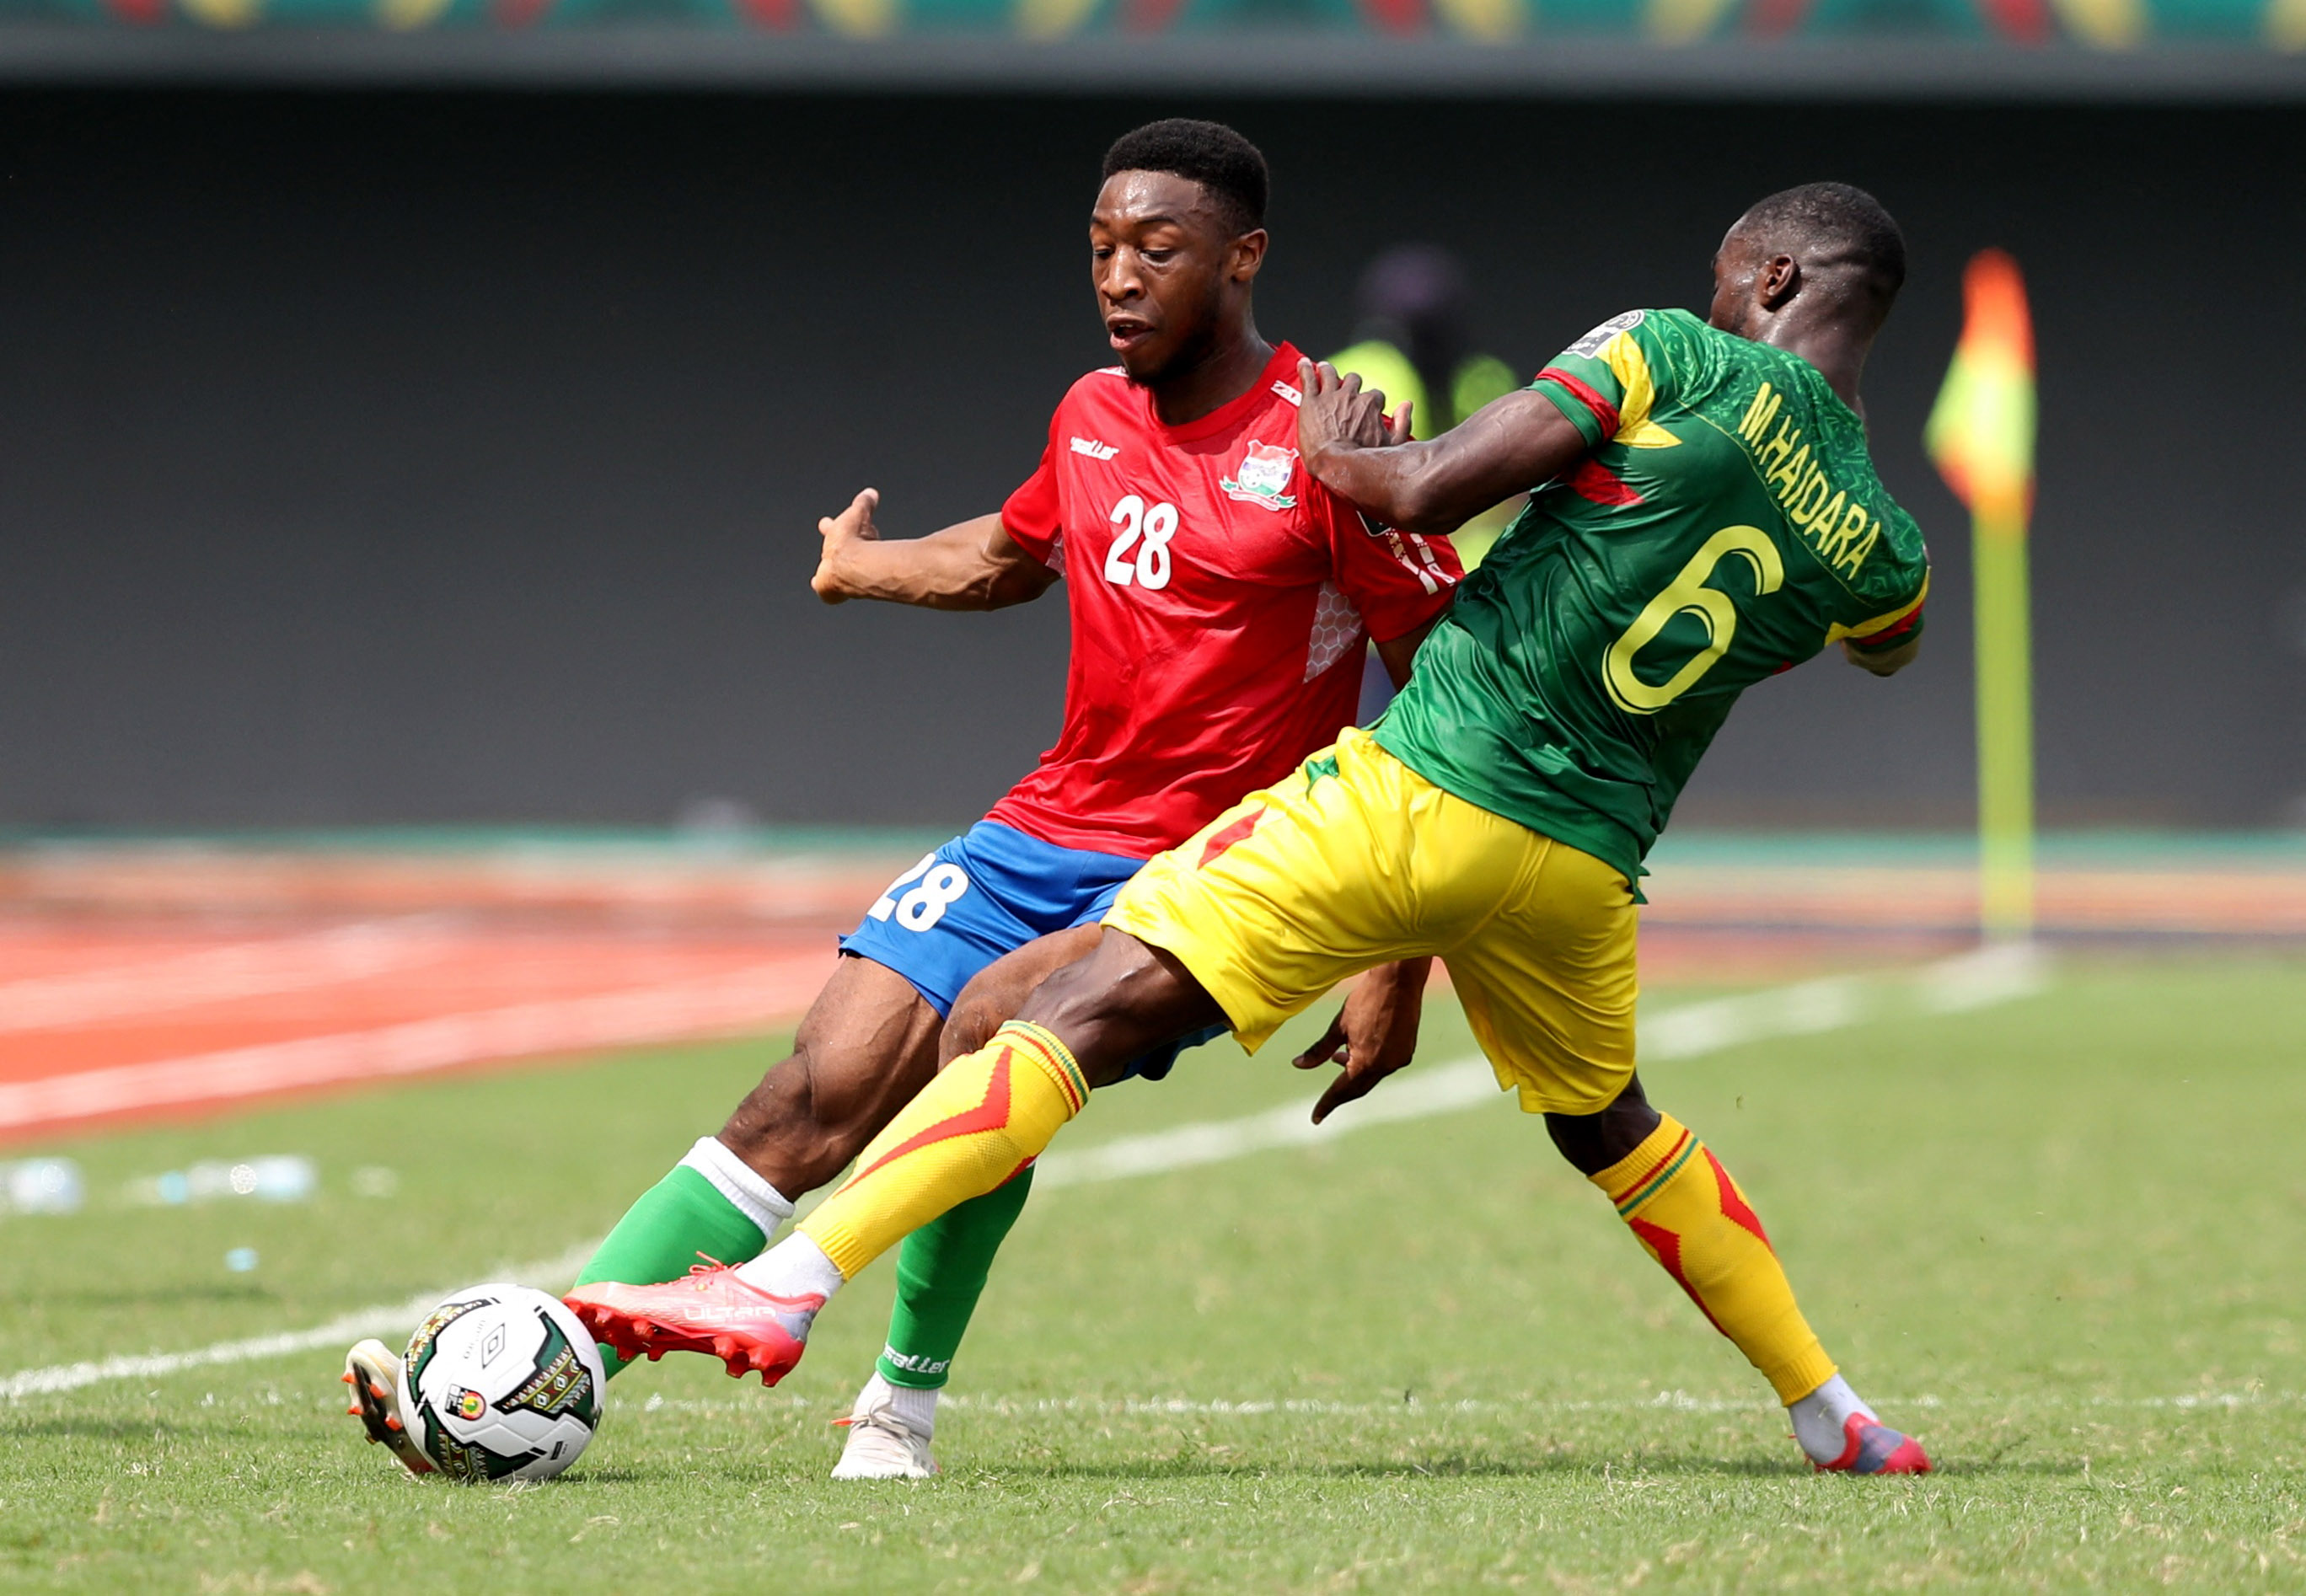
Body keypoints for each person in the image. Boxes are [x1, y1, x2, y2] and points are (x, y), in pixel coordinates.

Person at [568, 182, 1939, 1476]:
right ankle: (1835, 1412)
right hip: (1585, 864)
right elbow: (1886, 646)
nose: (1705, 303)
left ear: (1770, 275)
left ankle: (785, 1285)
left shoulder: (1671, 355)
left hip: (1427, 786)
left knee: (1059, 1008)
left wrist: (1340, 446)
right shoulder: (1886, 537)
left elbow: (1421, 495)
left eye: (1721, 284)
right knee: (1617, 1132)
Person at [348, 118, 1461, 1482]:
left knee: (994, 1032)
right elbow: (1012, 550)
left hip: (1210, 866)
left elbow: (1447, 701)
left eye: (1157, 250)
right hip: (1040, 828)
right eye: (1102, 247)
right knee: (802, 1097)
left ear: (1245, 258)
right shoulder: (1088, 412)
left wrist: (1395, 957)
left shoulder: (1336, 444)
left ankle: (899, 1406)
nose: (1119, 277)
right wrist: (859, 567)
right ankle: (527, 1370)